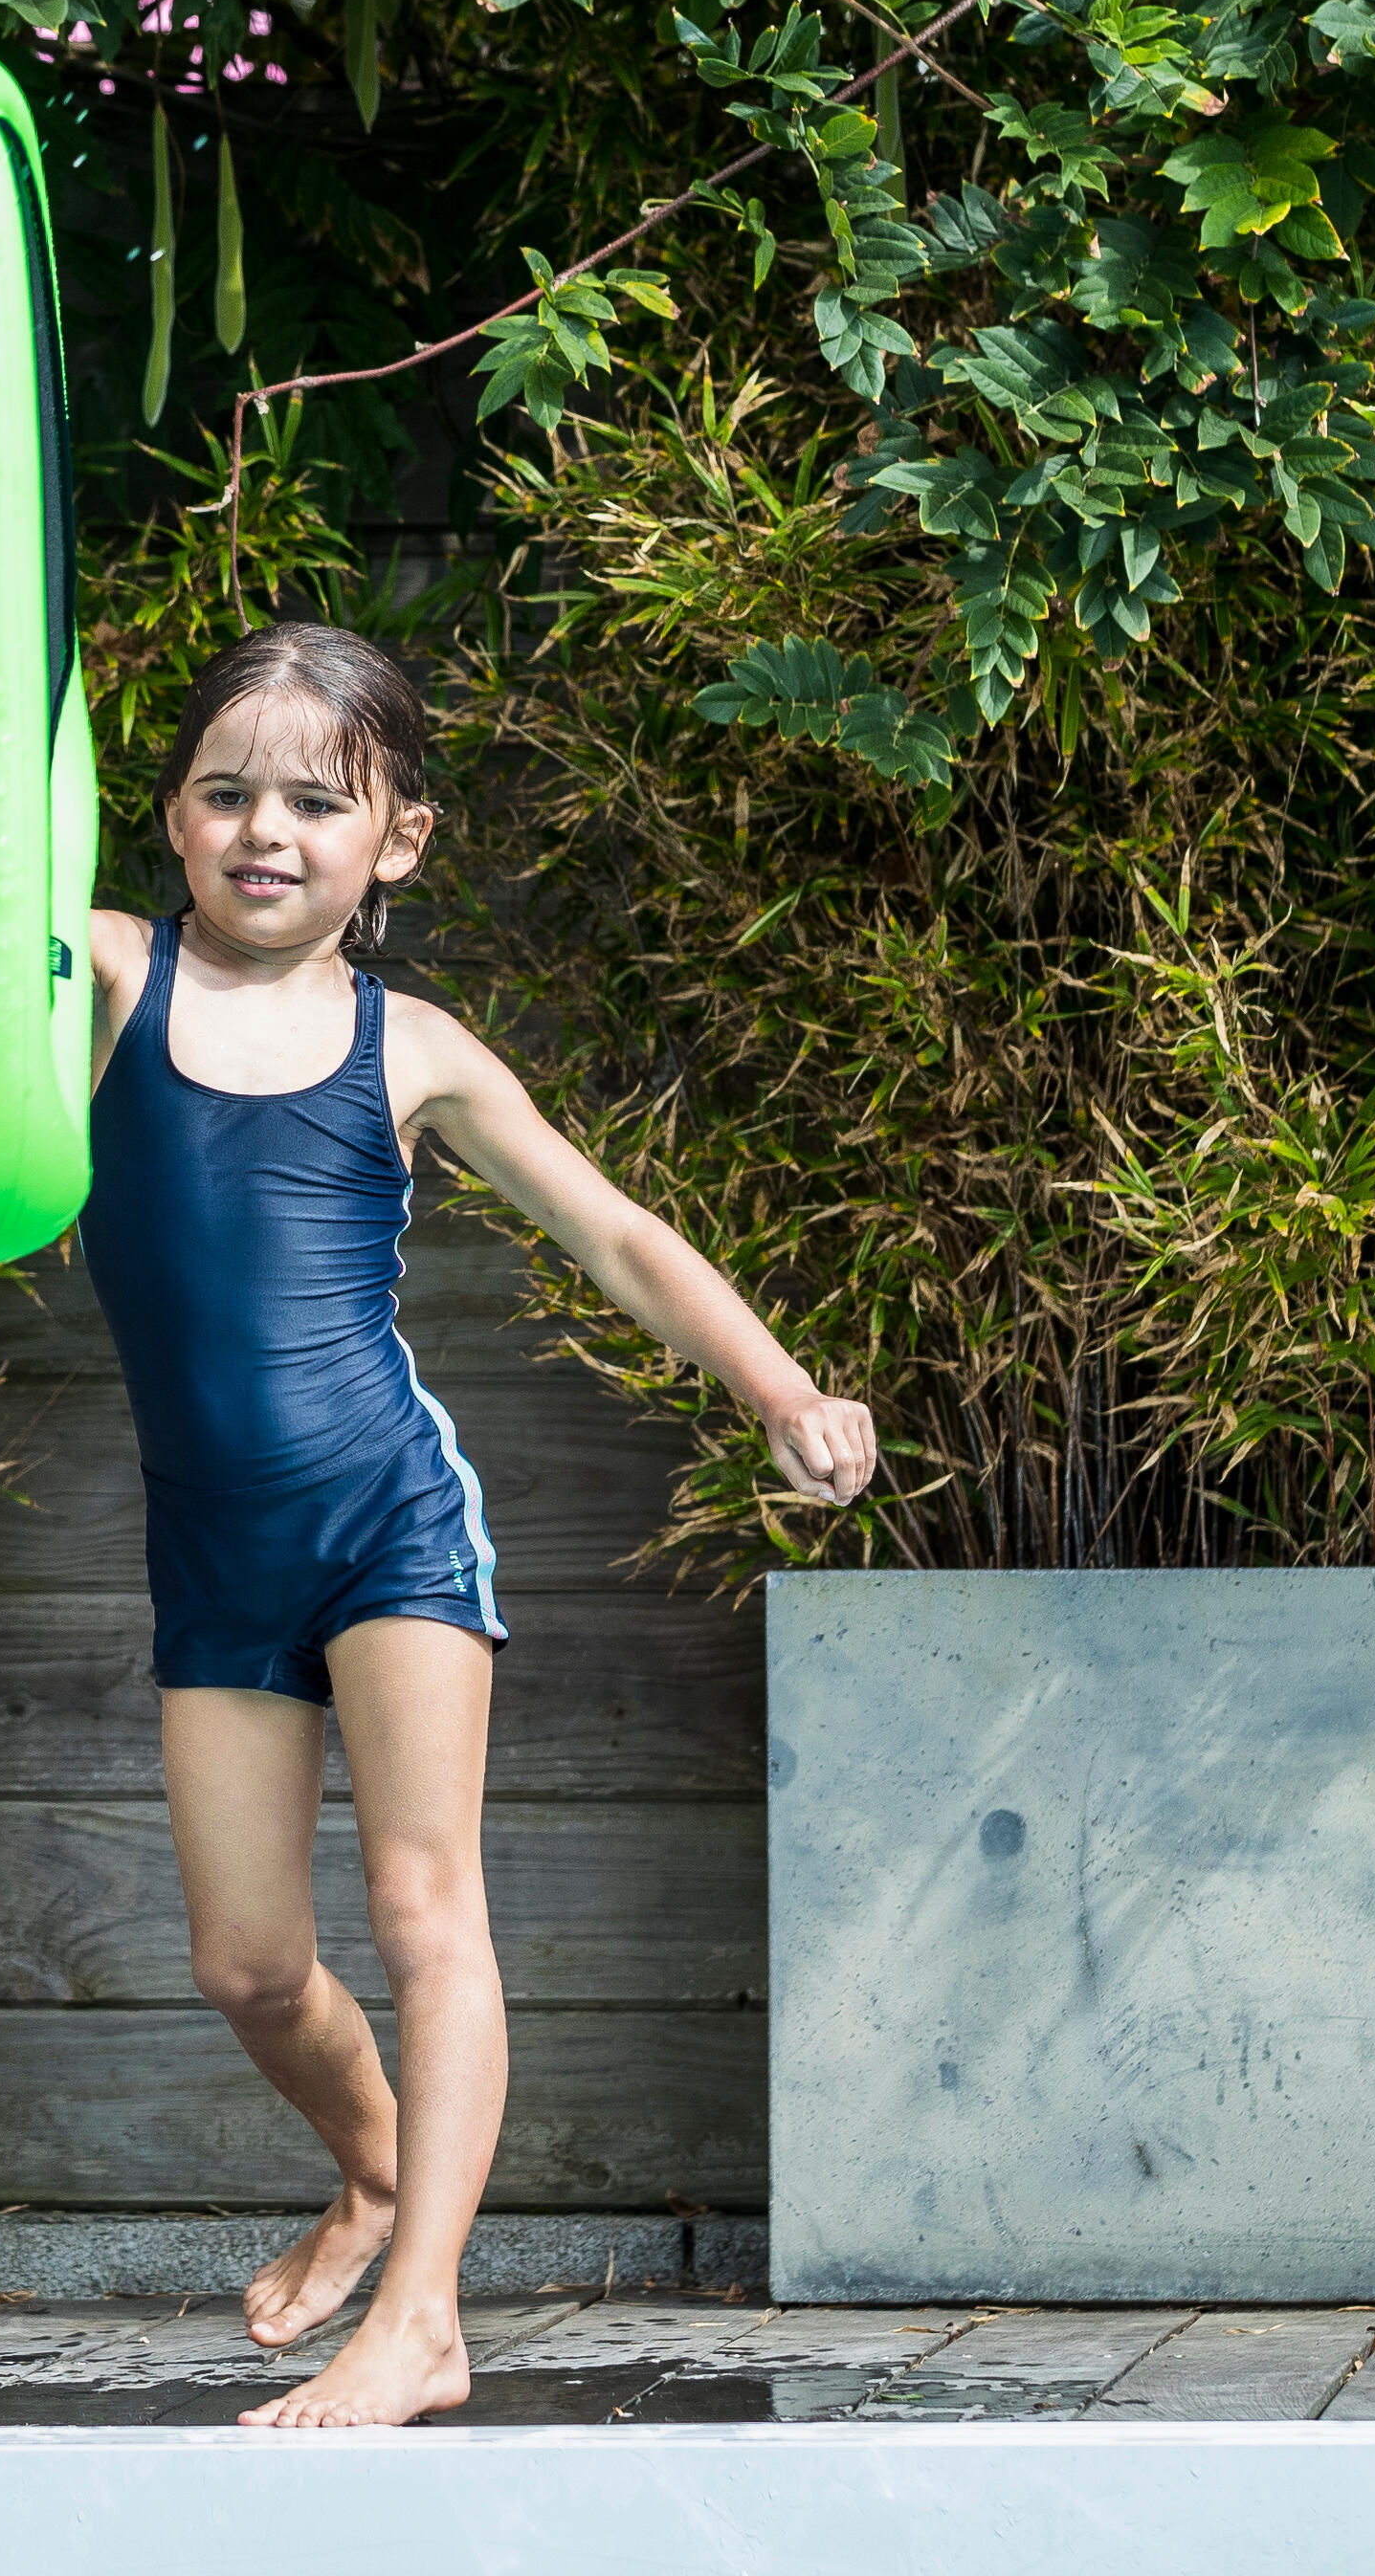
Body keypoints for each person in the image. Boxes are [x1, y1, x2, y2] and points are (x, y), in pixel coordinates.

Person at [82, 620, 877, 2431]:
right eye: (225, 791)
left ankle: (426, 2312)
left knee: (429, 1904)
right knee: (249, 1964)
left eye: (314, 800)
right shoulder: (112, 976)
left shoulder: (407, 1043)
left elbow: (618, 1237)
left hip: (388, 1518)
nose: (264, 830)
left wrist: (782, 1390)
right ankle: (372, 2175)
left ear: (399, 840)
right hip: (211, 1546)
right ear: (171, 815)